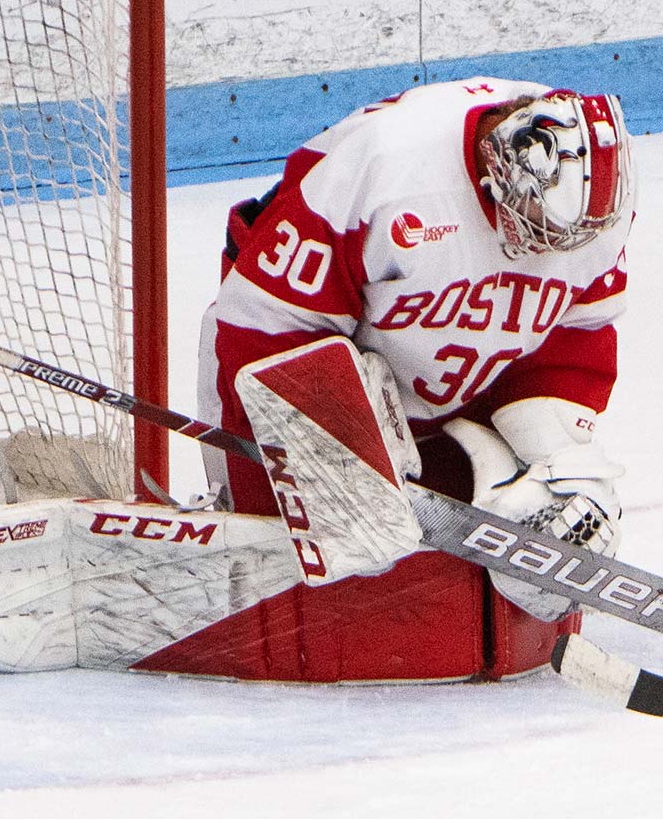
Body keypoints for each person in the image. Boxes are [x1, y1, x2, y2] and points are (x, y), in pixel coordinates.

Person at [193, 76, 636, 681]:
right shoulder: (385, 169)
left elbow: (575, 333)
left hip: (455, 392)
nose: (550, 254)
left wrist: (554, 465)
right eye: (539, 230)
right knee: (329, 552)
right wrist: (341, 464)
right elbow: (261, 326)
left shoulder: (588, 200)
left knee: (550, 507)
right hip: (328, 366)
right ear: (501, 171)